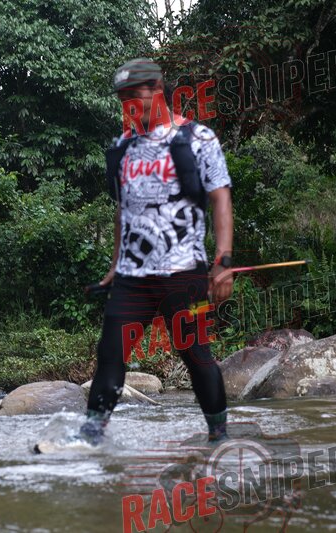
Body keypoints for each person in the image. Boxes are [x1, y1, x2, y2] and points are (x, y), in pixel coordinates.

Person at [79, 58, 234, 446]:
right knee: (111, 353)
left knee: (196, 354)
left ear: (158, 91)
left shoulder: (198, 139)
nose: (129, 105)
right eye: (123, 99)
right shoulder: (122, 147)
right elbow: (123, 210)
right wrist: (115, 265)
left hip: (184, 273)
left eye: (136, 96)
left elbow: (220, 199)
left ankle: (219, 435)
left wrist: (223, 261)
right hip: (132, 277)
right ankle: (91, 435)